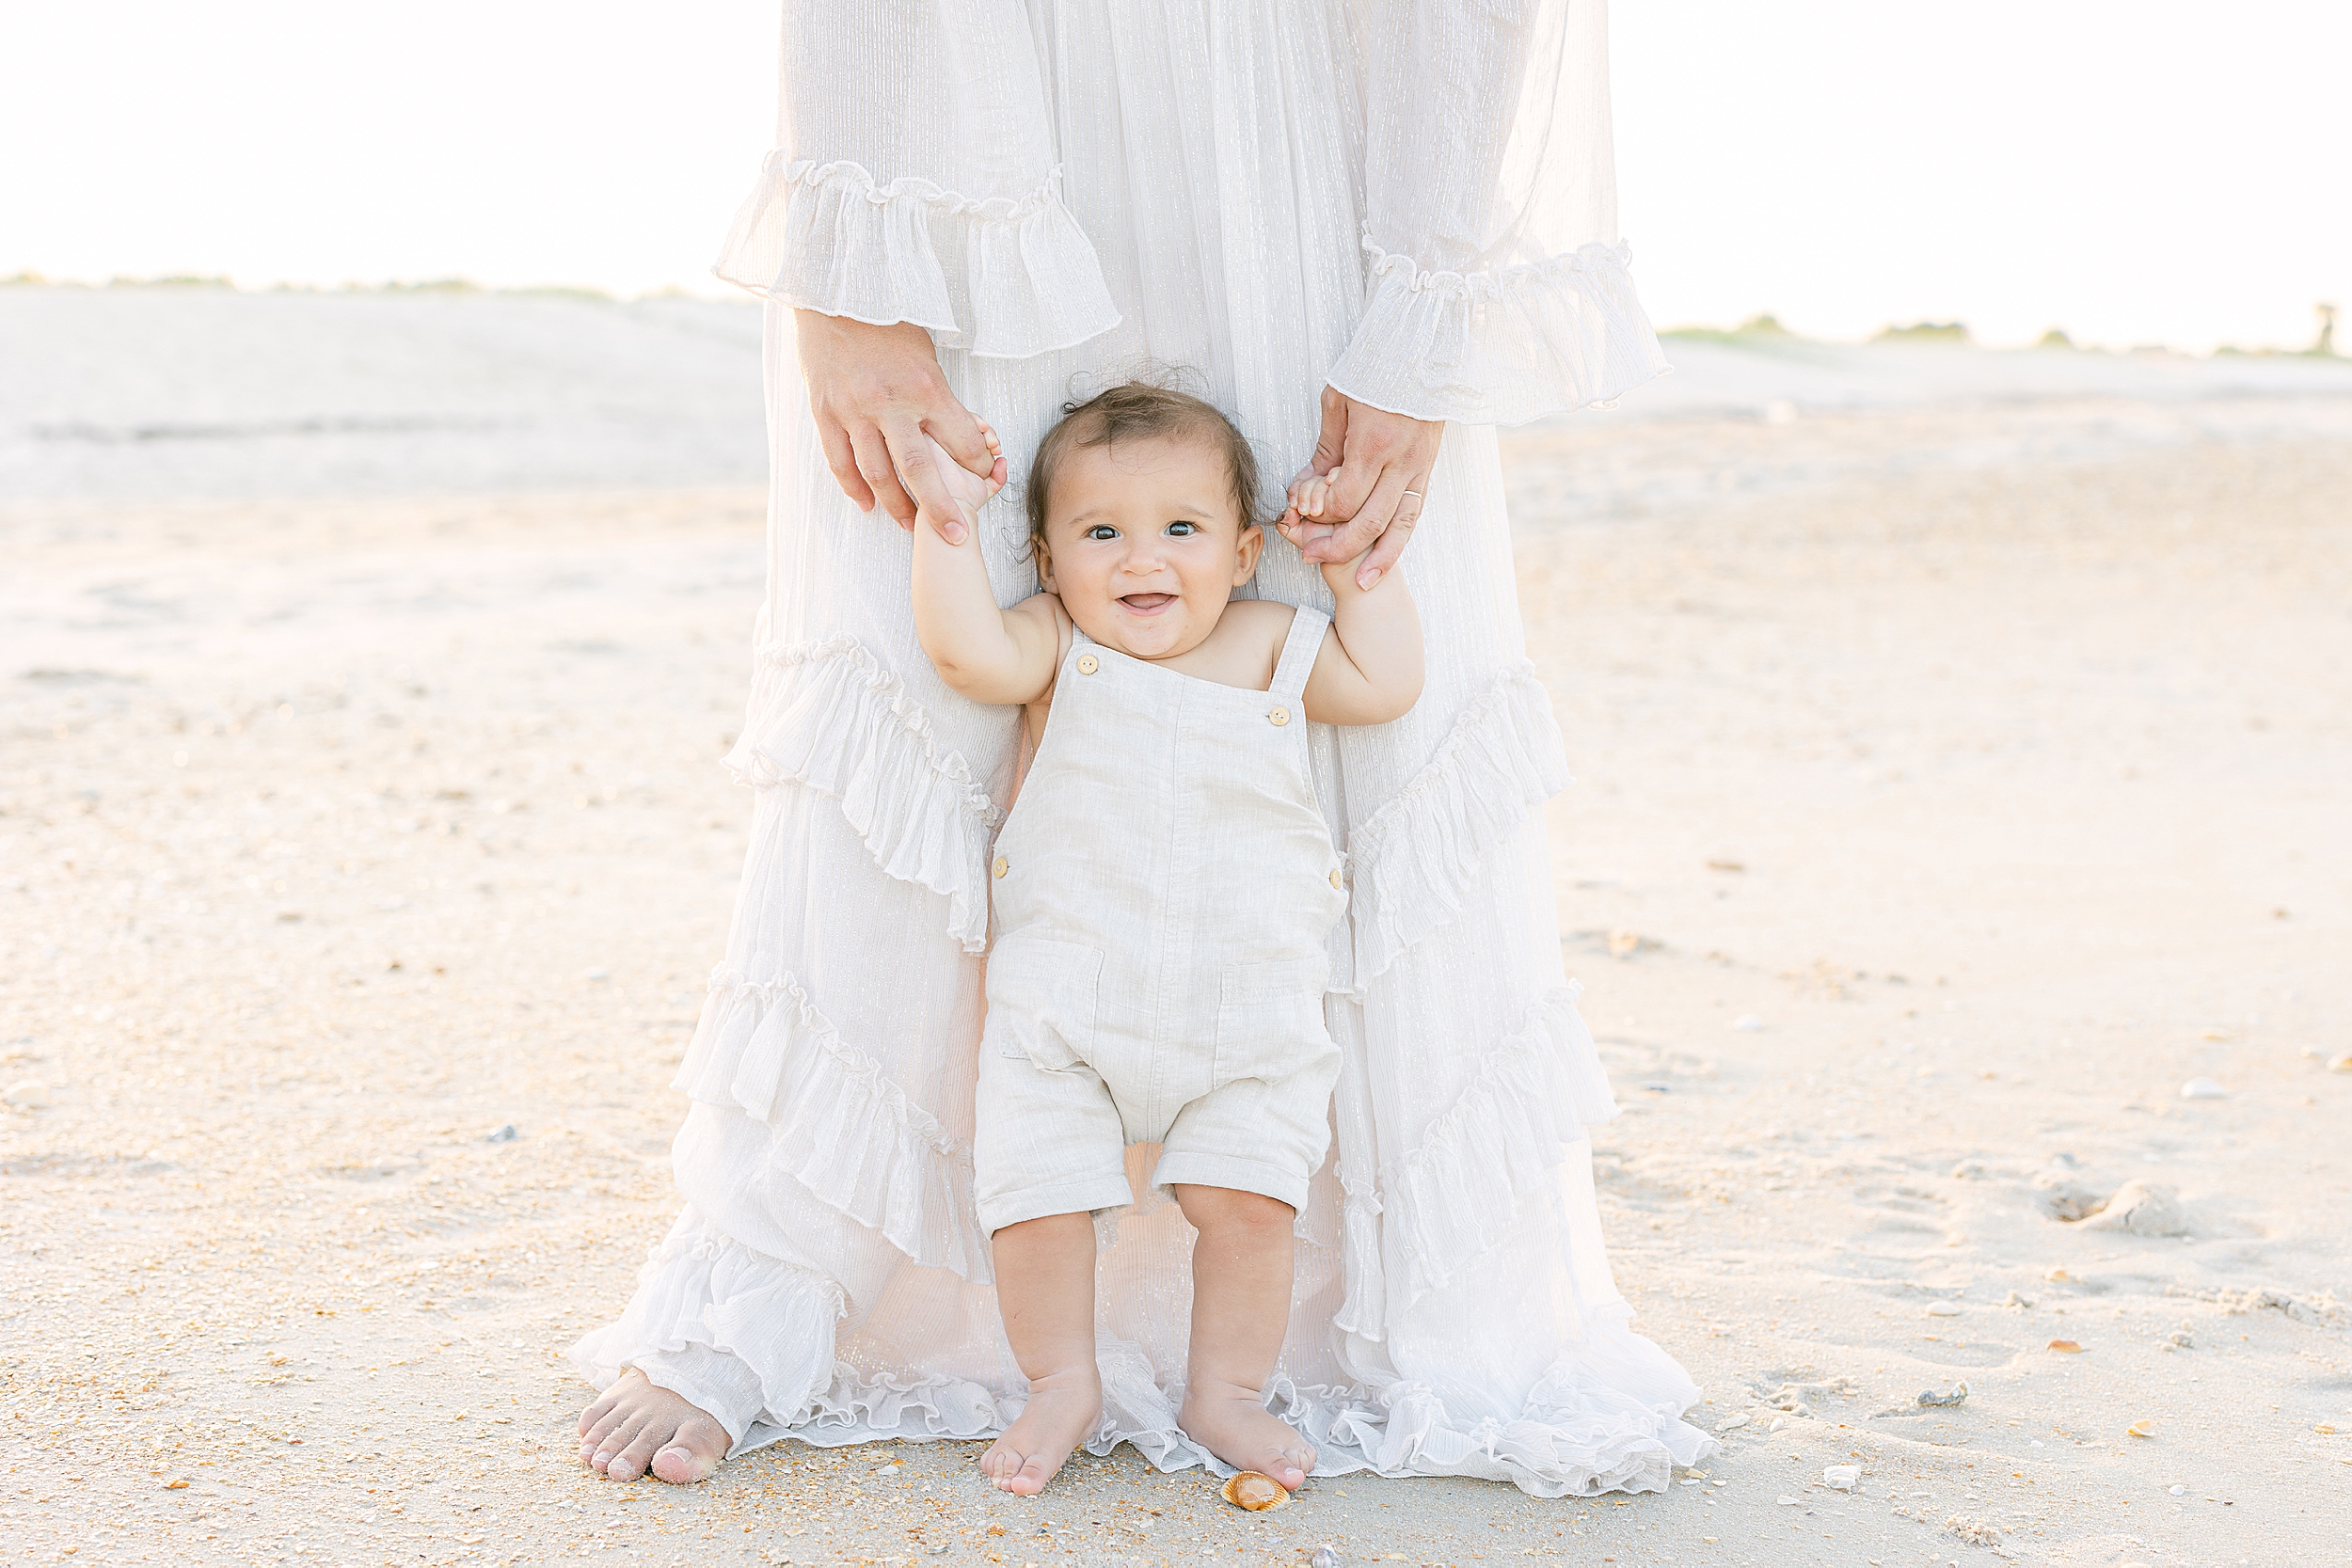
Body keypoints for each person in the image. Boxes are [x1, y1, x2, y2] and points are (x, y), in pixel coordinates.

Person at [574, 0, 1716, 1497]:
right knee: (932, 593)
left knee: (1335, 520)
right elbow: (980, 644)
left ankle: (1287, 1342)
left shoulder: (1268, 623)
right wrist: (847, 272)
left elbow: (1372, 679)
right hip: (970, 104)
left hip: (1307, 103)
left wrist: (1429, 301)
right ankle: (796, 1282)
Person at [912, 383, 1423, 1493]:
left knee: (1248, 1206)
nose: (1141, 560)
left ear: (1244, 550)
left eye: (1180, 530)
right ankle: (1059, 1377)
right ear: (1048, 561)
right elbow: (963, 656)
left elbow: (1386, 684)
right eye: (1101, 533)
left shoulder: (1275, 647)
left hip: (1249, 1016)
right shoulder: (1054, 647)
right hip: (1066, 1010)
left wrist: (1347, 565)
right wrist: (940, 521)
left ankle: (1224, 1388)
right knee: (1036, 1199)